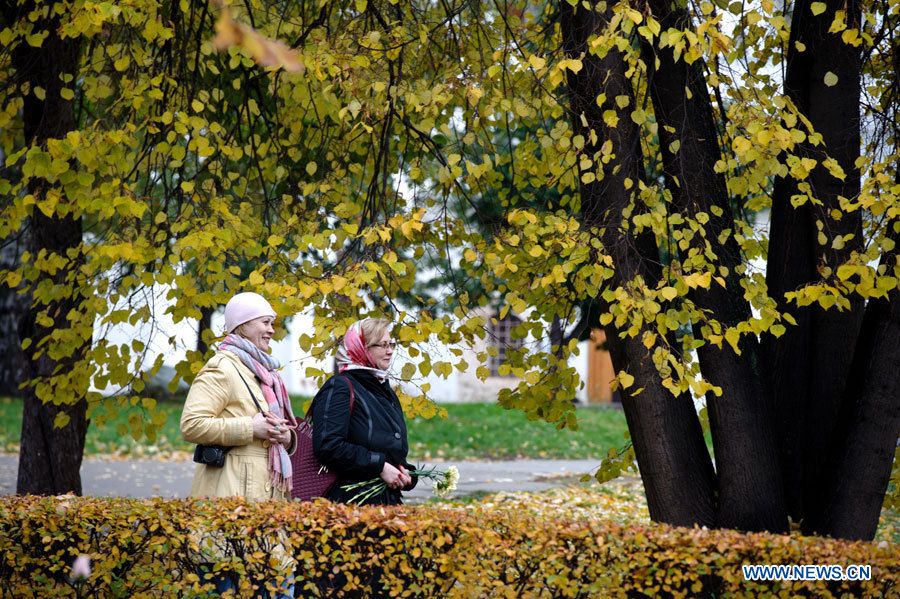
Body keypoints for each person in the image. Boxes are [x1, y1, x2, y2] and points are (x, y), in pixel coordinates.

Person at [180, 291, 297, 597]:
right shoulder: (223, 367)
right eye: (265, 322)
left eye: (273, 323)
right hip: (229, 502)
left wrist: (286, 437)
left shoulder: (266, 372)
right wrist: (250, 428)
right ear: (242, 325)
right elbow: (191, 424)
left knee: (281, 589)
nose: (272, 330)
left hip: (267, 505)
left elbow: (278, 429)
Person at [312, 318, 417, 505]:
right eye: (383, 345)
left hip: (386, 502)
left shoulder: (383, 389)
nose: (390, 351)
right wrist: (379, 466)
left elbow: (388, 448)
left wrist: (404, 471)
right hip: (350, 505)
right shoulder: (340, 387)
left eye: (391, 344)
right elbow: (328, 445)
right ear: (362, 347)